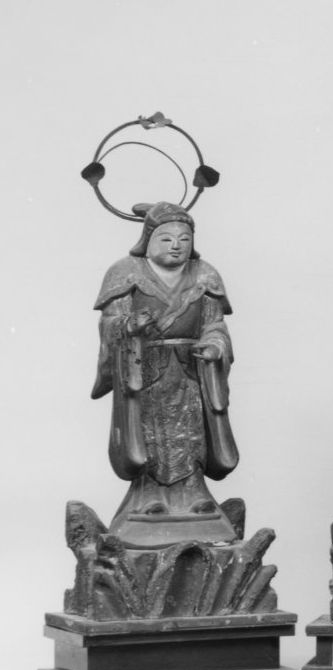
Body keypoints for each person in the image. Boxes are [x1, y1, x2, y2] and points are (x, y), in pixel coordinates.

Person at [92, 202, 239, 548]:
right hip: (144, 370)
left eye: (184, 239)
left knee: (192, 435)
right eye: (166, 238)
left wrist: (214, 347)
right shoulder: (125, 273)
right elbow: (110, 323)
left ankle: (195, 497)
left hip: (191, 371)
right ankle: (149, 500)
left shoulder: (205, 275)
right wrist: (129, 325)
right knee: (150, 436)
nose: (176, 246)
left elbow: (216, 325)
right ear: (148, 239)